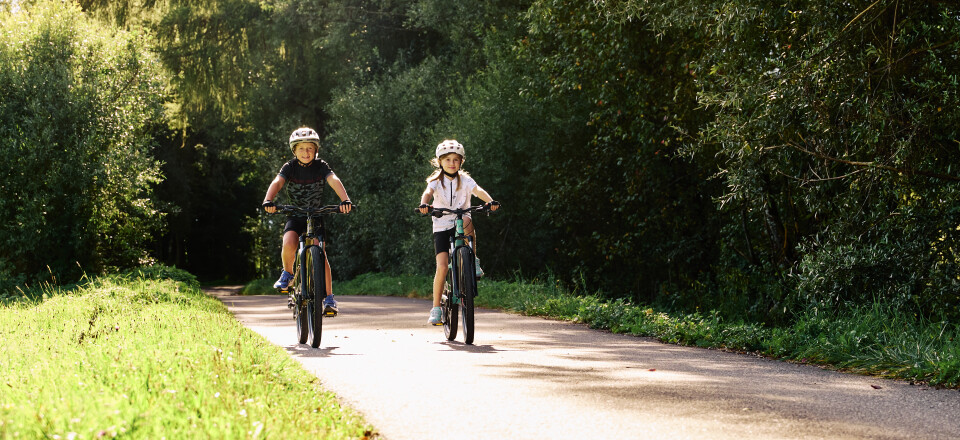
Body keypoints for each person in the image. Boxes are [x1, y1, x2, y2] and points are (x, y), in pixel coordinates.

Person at [262, 127, 352, 316]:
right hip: (295, 214)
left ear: (316, 150)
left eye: (310, 148)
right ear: (294, 151)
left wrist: (345, 200)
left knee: (321, 253)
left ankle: (328, 298)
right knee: (289, 243)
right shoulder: (289, 167)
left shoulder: (321, 166)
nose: (306, 152)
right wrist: (268, 200)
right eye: (301, 149)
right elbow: (278, 182)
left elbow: (333, 180)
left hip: (316, 215)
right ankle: (288, 274)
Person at [417, 139, 499, 325]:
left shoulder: (466, 180)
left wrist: (491, 201)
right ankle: (436, 307)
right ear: (440, 162)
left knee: (469, 220)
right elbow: (427, 193)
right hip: (441, 225)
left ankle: (474, 260)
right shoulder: (435, 182)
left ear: (461, 161)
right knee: (443, 266)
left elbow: (477, 190)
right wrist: (424, 204)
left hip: (461, 219)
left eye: (456, 159)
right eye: (447, 160)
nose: (452, 163)